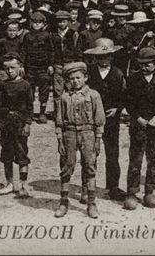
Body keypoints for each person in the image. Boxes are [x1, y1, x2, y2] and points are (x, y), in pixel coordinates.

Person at [54, 61, 106, 219]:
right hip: (69, 133)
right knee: (67, 165)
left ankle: (91, 203)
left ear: (85, 78)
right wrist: (60, 140)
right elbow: (59, 121)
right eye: (71, 79)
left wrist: (97, 139)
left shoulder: (93, 95)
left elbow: (99, 119)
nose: (75, 81)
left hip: (88, 133)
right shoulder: (64, 97)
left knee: (89, 165)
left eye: (78, 78)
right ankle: (63, 202)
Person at [122, 46, 155, 210]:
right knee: (136, 158)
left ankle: (150, 190)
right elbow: (129, 102)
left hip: (154, 125)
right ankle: (132, 192)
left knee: (153, 159)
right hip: (138, 125)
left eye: (148, 64)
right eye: (141, 64)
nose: (144, 67)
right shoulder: (133, 79)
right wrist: (137, 118)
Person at [84, 38, 126, 201]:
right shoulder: (89, 73)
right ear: (95, 58)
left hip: (111, 118)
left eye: (107, 56)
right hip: (91, 118)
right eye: (100, 57)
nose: (104, 59)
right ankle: (88, 185)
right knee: (90, 152)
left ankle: (113, 186)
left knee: (112, 152)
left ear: (112, 56)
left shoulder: (117, 73)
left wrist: (117, 109)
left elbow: (124, 95)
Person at [0, 53, 34, 200]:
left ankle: (23, 184)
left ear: (20, 67)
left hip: (20, 123)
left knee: (22, 153)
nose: (9, 71)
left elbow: (30, 107)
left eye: (12, 68)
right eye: (6, 68)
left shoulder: (25, 85)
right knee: (7, 153)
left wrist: (27, 124)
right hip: (5, 123)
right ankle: (9, 183)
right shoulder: (0, 86)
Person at [21, 11, 55, 123]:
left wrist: (50, 65)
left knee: (44, 89)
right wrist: (22, 65)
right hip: (30, 67)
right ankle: (29, 113)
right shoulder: (27, 36)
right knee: (29, 90)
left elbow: (51, 51)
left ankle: (42, 112)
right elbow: (24, 51)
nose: (36, 25)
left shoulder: (46, 35)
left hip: (43, 67)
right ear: (30, 23)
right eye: (34, 22)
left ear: (43, 24)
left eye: (39, 23)